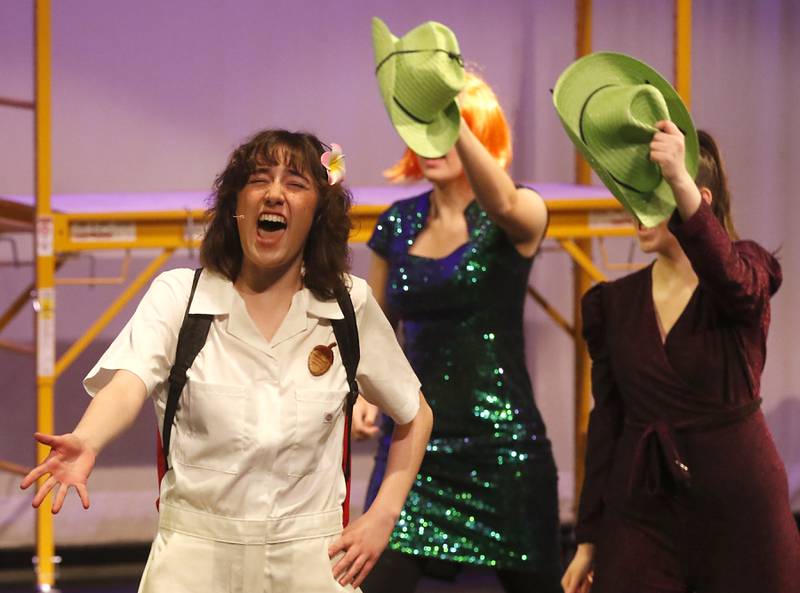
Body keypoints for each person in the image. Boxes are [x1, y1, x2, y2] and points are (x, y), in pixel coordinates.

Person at [20, 129, 433, 593]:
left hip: (312, 565)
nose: (275, 193)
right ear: (236, 205)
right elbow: (128, 382)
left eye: (296, 183)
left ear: (317, 214)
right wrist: (88, 439)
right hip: (194, 562)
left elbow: (415, 414)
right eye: (259, 179)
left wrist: (383, 516)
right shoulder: (180, 296)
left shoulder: (346, 304)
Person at [561, 123, 800, 593]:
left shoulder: (746, 273)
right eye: (634, 195)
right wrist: (588, 539)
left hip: (739, 508)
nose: (637, 210)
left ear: (698, 198)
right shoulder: (613, 304)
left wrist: (677, 175)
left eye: (654, 195)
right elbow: (607, 421)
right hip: (644, 509)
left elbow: (732, 279)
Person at [355, 68, 562, 593]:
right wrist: (364, 392)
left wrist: (454, 119)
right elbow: (375, 327)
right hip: (412, 446)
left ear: (476, 132)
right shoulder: (397, 222)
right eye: (420, 126)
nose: (430, 140)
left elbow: (507, 205)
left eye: (443, 126)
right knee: (366, 579)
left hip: (503, 449)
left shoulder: (520, 210)